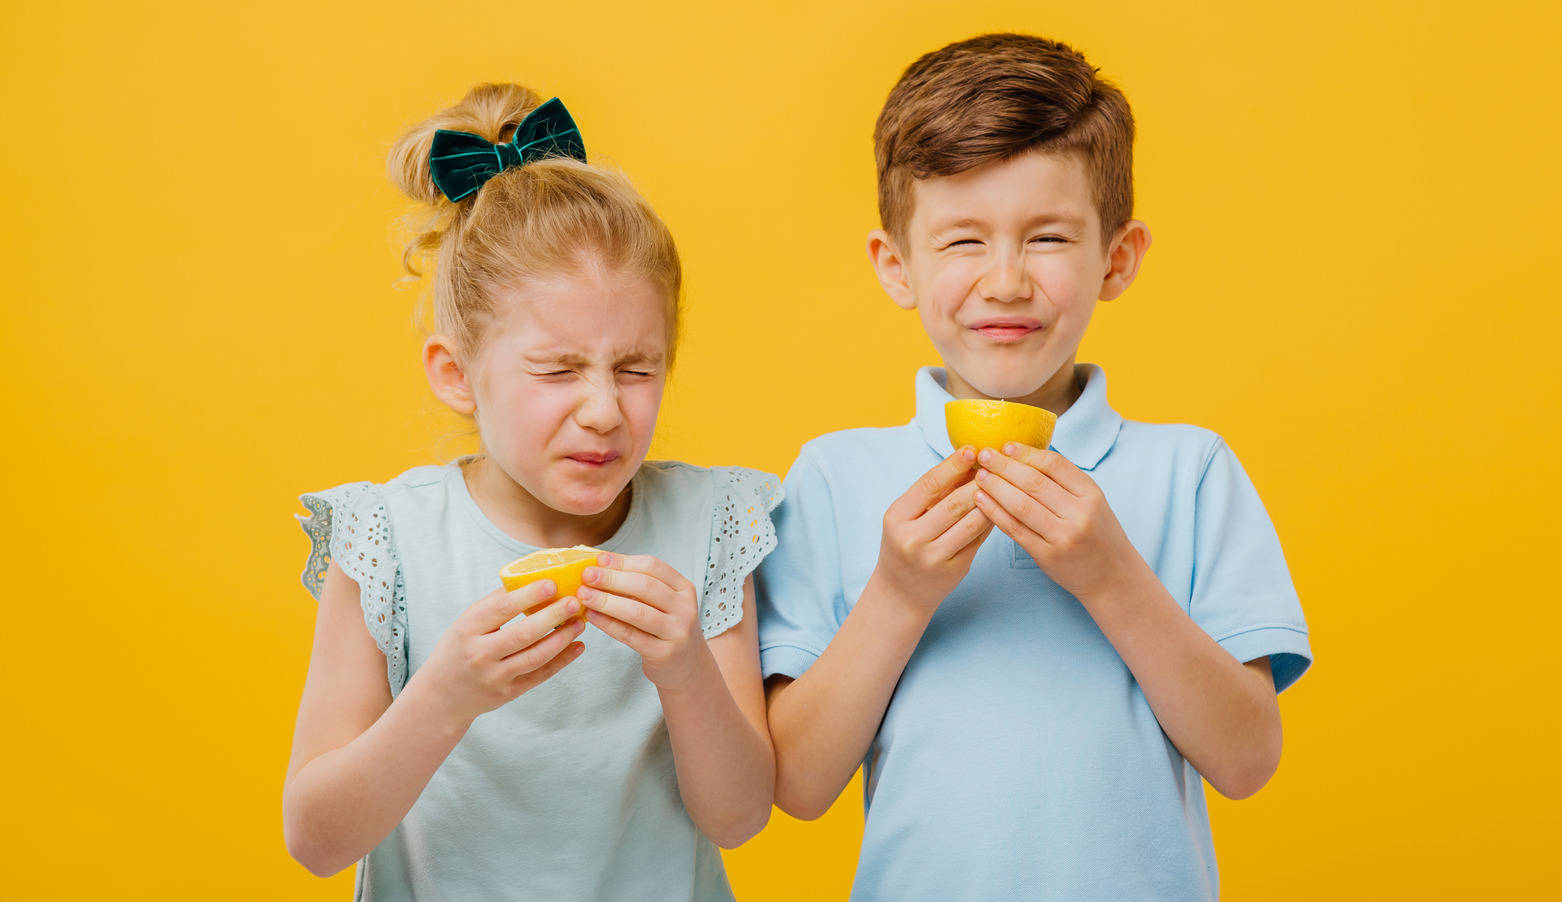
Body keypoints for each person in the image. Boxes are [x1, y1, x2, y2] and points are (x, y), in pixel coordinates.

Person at [756, 34, 1312, 899]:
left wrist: (1111, 575)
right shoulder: (830, 478)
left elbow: (1246, 759)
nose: (1006, 281)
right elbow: (795, 784)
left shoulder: (1191, 471)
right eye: (963, 241)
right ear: (895, 266)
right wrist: (898, 594)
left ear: (1117, 259)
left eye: (1047, 236)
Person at [283, 83, 777, 901]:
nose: (604, 410)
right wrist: (444, 696)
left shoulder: (709, 524)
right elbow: (316, 839)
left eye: (637, 368)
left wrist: (688, 671)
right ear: (456, 375)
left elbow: (740, 818)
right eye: (557, 370)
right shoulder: (390, 541)